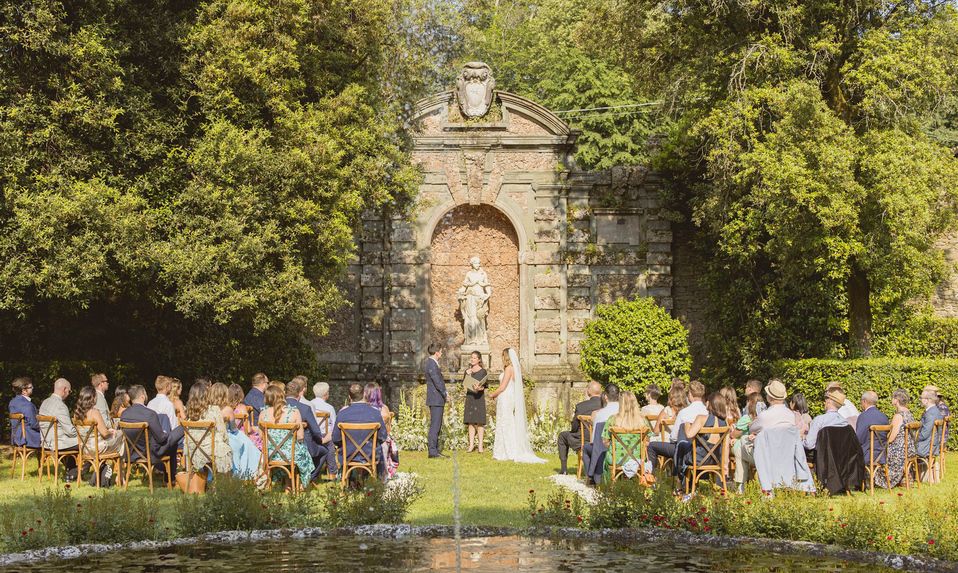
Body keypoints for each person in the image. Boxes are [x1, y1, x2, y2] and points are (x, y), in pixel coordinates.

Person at [737, 379, 796, 490]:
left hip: (768, 454)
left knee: (741, 443)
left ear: (769, 397)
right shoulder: (790, 415)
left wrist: (756, 434)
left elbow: (752, 428)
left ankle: (742, 485)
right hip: (786, 454)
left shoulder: (765, 416)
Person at [488, 347, 545, 463]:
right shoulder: (512, 369)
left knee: (505, 422)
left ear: (506, 357)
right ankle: (504, 450)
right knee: (506, 421)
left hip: (505, 397)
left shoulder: (509, 369)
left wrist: (492, 394)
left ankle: (509, 450)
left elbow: (503, 386)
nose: (502, 358)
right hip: (508, 397)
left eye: (503, 356)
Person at [120, 384, 184, 481]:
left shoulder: (124, 414)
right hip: (151, 453)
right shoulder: (150, 414)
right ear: (142, 396)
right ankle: (170, 478)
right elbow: (161, 438)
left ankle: (169, 477)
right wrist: (165, 432)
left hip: (132, 453)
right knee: (180, 430)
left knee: (172, 442)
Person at [260, 383, 314, 490]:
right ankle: (300, 484)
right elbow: (300, 437)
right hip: (291, 455)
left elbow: (262, 437)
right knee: (303, 449)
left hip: (271, 454)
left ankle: (286, 483)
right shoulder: (294, 412)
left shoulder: (263, 414)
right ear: (282, 396)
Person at [647, 380, 708, 471]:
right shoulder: (707, 412)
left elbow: (674, 437)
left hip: (685, 451)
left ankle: (650, 479)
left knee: (651, 446)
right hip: (704, 452)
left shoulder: (684, 413)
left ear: (690, 394)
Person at [333, 383, 388, 479]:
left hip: (348, 455)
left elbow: (335, 439)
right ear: (364, 395)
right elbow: (383, 437)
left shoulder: (342, 414)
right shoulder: (375, 413)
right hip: (370, 454)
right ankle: (378, 480)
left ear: (349, 397)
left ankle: (348, 481)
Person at [73, 385, 123, 486]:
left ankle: (104, 472)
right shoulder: (94, 412)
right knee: (122, 435)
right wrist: (111, 431)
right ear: (93, 398)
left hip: (85, 448)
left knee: (118, 437)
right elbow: (104, 433)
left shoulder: (76, 413)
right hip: (98, 448)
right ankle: (120, 475)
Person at [287, 377, 334, 481]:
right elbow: (316, 431)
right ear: (300, 392)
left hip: (280, 450)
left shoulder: (277, 408)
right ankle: (310, 477)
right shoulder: (304, 408)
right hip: (301, 447)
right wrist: (321, 441)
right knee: (324, 450)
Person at [680, 392, 729, 491]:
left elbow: (689, 434)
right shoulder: (725, 422)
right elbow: (726, 446)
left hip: (699, 460)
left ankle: (684, 486)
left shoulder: (701, 418)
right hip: (716, 460)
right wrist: (725, 465)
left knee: (682, 448)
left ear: (709, 404)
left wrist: (687, 424)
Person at [601, 391, 650, 482]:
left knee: (605, 459)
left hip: (617, 459)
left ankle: (609, 488)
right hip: (638, 459)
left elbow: (605, 441)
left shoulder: (613, 420)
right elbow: (647, 442)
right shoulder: (643, 420)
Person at [557, 381, 603, 475]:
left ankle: (564, 469)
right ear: (601, 392)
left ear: (589, 391)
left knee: (562, 436)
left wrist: (574, 431)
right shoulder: (605, 406)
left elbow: (574, 426)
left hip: (583, 440)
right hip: (602, 440)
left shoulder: (581, 406)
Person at [39, 378, 80, 481]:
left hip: (46, 443)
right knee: (87, 442)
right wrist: (81, 433)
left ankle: (72, 471)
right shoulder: (61, 406)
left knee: (75, 442)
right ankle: (76, 472)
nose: (69, 394)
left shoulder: (45, 402)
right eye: (69, 391)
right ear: (65, 389)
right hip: (58, 444)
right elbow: (70, 431)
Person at [874, 389, 916, 488]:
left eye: (893, 398)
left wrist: (885, 440)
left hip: (899, 451)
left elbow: (892, 437)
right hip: (910, 449)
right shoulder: (909, 413)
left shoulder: (898, 416)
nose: (891, 400)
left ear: (896, 400)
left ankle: (878, 479)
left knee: (879, 453)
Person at [365, 383, 399, 478]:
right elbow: (387, 431)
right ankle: (383, 473)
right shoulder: (384, 409)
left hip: (362, 444)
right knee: (385, 442)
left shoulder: (362, 411)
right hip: (379, 443)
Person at [804, 387, 850, 451]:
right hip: (842, 460)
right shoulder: (845, 423)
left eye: (825, 399)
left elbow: (809, 445)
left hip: (822, 459)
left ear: (828, 401)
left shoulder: (819, 421)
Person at [731, 392, 761, 491]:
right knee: (740, 445)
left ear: (750, 403)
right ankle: (743, 486)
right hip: (761, 451)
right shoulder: (764, 418)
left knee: (739, 447)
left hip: (750, 451)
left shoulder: (746, 418)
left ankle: (740, 485)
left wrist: (736, 437)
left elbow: (733, 435)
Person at [424, 342, 448, 459]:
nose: (442, 353)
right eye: (441, 351)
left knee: (436, 425)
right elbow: (437, 381)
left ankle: (435, 450)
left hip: (436, 398)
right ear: (437, 352)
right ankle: (433, 451)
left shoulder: (432, 363)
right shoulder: (432, 364)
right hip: (436, 399)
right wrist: (445, 393)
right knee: (435, 425)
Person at [462, 351, 489, 453]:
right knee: (471, 421)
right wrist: (467, 376)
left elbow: (485, 386)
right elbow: (465, 385)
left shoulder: (483, 372)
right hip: (470, 397)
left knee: (480, 422)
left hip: (479, 398)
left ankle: (480, 446)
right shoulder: (467, 371)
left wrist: (479, 387)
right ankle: (471, 445)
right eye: (471, 357)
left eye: (474, 358)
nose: (472, 359)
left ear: (479, 360)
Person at [856, 390, 890, 460]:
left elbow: (859, 439)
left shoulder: (863, 416)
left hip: (867, 455)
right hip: (882, 455)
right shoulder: (884, 416)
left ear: (864, 401)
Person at [9, 377, 41, 449]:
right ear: (24, 391)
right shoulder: (27, 405)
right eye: (30, 387)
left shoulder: (12, 402)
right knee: (53, 439)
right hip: (28, 439)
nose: (33, 388)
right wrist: (45, 426)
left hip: (16, 438)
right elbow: (34, 424)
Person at [228, 383, 262, 450]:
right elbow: (248, 429)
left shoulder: (226, 409)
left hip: (230, 437)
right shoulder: (242, 408)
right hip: (242, 436)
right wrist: (256, 429)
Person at [917, 389, 944, 458]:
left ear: (927, 400)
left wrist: (912, 437)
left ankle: (908, 468)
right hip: (932, 446)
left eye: (921, 398)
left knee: (902, 447)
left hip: (925, 448)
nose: (920, 399)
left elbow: (924, 435)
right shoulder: (935, 410)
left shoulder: (930, 414)